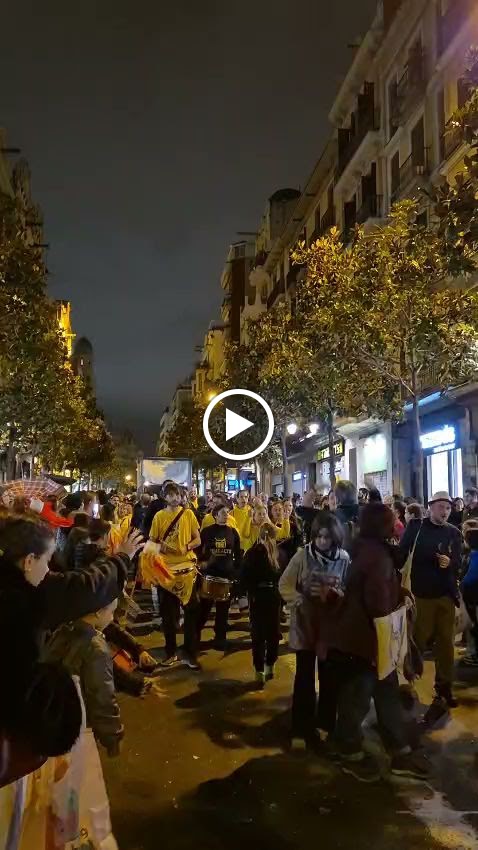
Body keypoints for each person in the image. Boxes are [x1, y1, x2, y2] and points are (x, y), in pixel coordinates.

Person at [327, 504, 429, 782]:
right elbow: (377, 603)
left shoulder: (360, 547)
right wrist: (400, 603)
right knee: (358, 696)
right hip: (367, 640)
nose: (397, 524)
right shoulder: (377, 557)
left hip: (362, 637)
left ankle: (399, 750)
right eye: (392, 520)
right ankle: (347, 749)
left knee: (386, 693)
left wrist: (399, 591)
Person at [279, 512, 350, 749]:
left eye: (327, 538)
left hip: (331, 630)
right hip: (306, 628)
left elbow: (348, 587)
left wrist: (340, 598)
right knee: (304, 679)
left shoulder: (344, 559)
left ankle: (326, 725)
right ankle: (300, 728)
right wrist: (298, 601)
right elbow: (285, 584)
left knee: (330, 680)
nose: (322, 542)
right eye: (318, 537)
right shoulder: (301, 556)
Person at [398, 491, 462, 717]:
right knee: (416, 643)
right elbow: (400, 555)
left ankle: (444, 688)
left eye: (448, 508)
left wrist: (450, 562)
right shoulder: (416, 528)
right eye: (440, 506)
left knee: (446, 645)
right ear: (430, 507)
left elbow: (459, 562)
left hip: (445, 596)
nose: (444, 511)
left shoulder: (453, 532)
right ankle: (407, 684)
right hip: (420, 596)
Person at [149, 482, 202, 669]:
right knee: (168, 616)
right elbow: (152, 542)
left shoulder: (188, 514)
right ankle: (170, 652)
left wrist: (186, 547)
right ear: (165, 497)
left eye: (177, 495)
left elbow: (198, 539)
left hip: (187, 570)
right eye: (171, 495)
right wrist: (159, 547)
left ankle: (190, 653)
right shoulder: (158, 516)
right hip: (166, 572)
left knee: (191, 614)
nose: (175, 498)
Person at [241, 524, 282, 686]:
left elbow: (244, 577)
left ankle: (260, 670)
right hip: (271, 597)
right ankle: (268, 665)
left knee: (259, 635)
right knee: (272, 634)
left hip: (259, 597)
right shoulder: (277, 554)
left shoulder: (252, 553)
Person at [197, 504, 242, 651]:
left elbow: (238, 553)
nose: (226, 515)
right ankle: (194, 637)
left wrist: (236, 571)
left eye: (227, 513)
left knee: (223, 611)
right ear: (215, 515)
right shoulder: (207, 531)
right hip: (210, 574)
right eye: (223, 513)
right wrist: (201, 562)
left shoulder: (233, 532)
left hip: (226, 575)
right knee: (204, 609)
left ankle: (220, 639)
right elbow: (198, 549)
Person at [334, 480, 360, 554]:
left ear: (337, 497)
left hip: (341, 558)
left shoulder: (333, 516)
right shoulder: (364, 512)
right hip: (363, 559)